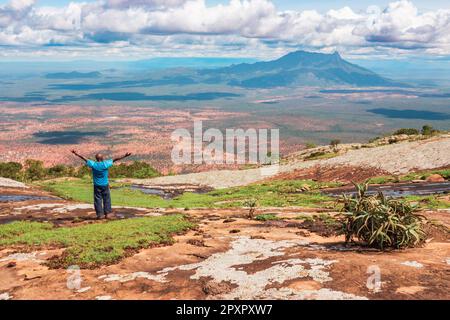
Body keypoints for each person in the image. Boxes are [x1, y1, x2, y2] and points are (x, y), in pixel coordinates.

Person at [71, 150, 132, 219]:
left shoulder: (93, 164)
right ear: (102, 158)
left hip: (96, 185)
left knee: (97, 200)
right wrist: (125, 155)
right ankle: (108, 213)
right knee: (107, 199)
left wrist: (76, 153)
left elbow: (84, 158)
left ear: (96, 159)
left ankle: (100, 215)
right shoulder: (105, 164)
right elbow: (115, 159)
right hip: (105, 184)